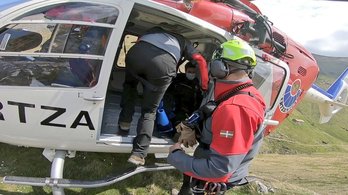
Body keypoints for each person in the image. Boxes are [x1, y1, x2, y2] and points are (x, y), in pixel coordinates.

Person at [167, 38, 266, 195]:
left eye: (213, 63)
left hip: (213, 180)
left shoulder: (235, 108)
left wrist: (176, 157)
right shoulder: (240, 93)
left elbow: (219, 169)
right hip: (206, 168)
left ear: (220, 67)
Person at [118, 26, 209, 166]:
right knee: (149, 111)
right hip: (163, 65)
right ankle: (138, 153)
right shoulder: (183, 41)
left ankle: (124, 123)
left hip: (136, 55)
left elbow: (139, 41)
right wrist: (204, 86)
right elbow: (200, 60)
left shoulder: (152, 30)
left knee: (129, 86)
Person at [163, 61, 203, 126]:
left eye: (193, 72)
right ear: (185, 71)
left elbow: (198, 99)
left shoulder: (196, 84)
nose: (191, 74)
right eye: (189, 72)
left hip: (187, 111)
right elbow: (169, 92)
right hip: (174, 107)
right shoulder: (178, 80)